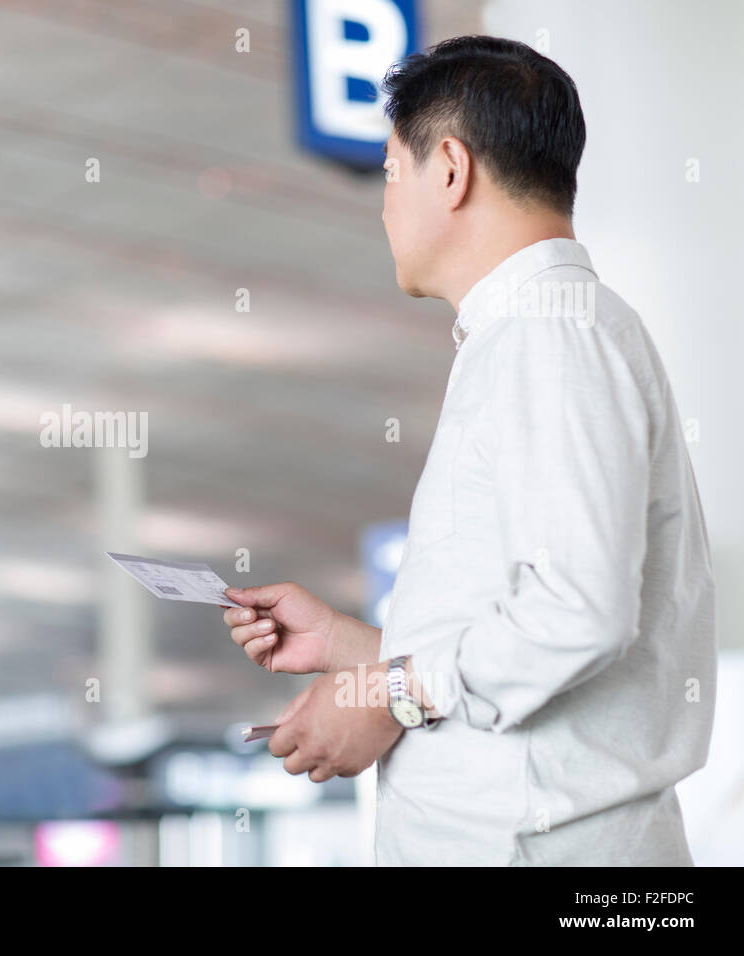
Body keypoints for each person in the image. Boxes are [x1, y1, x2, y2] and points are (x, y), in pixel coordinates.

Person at [222, 35, 716, 865]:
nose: (383, 205)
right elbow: (536, 625)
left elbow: (579, 610)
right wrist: (355, 648)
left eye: (389, 172)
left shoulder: (547, 338)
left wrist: (383, 695)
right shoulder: (535, 337)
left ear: (449, 169)